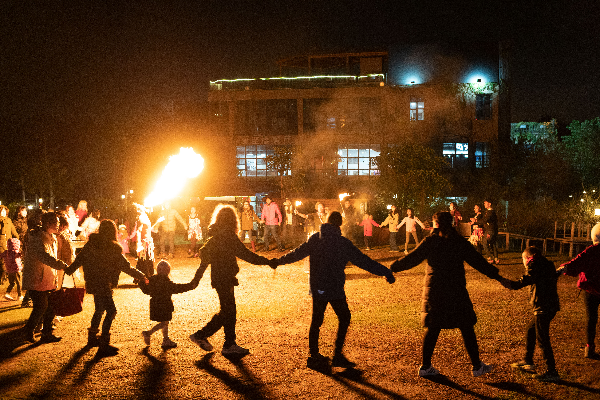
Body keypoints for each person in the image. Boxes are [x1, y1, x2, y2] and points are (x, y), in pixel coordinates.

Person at [271, 211, 395, 370]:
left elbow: (297, 253)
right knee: (344, 317)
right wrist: (385, 272)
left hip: (318, 287)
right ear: (340, 224)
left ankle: (314, 354)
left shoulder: (315, 238)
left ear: (327, 222)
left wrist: (278, 262)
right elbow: (364, 261)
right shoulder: (343, 242)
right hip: (334, 287)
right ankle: (336, 355)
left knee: (317, 320)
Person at [390, 211, 507, 378]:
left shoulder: (430, 241)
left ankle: (426, 366)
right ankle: (476, 366)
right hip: (455, 289)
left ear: (435, 224)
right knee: (466, 326)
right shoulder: (458, 242)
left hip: (436, 289)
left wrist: (392, 268)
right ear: (451, 223)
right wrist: (498, 277)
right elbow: (478, 261)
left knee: (434, 327)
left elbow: (413, 258)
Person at [189, 205, 273, 356]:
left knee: (228, 310)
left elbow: (205, 260)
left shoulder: (215, 235)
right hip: (225, 277)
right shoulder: (227, 236)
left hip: (219, 277)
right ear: (232, 220)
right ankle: (214, 340)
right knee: (229, 310)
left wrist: (196, 279)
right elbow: (247, 255)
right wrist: (267, 261)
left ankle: (226, 342)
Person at [64, 219, 148, 356]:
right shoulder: (112, 248)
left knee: (99, 310)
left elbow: (79, 259)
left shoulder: (91, 244)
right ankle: (104, 343)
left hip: (92, 282)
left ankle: (92, 338)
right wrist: (142, 276)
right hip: (104, 283)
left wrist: (68, 270)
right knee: (111, 311)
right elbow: (126, 267)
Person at [504, 246, 560, 381]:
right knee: (531, 330)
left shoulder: (535, 265)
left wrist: (511, 284)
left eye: (523, 259)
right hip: (550, 305)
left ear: (528, 258)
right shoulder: (546, 264)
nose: (523, 262)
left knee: (542, 339)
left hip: (543, 306)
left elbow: (527, 278)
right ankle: (528, 360)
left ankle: (552, 372)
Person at [21, 212, 69, 343]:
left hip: (47, 278)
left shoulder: (50, 236)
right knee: (41, 306)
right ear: (48, 223)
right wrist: (61, 265)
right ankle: (29, 331)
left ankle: (46, 333)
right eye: (56, 222)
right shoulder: (37, 237)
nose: (58, 224)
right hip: (37, 278)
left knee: (51, 305)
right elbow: (43, 256)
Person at [557, 222, 600, 359]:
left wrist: (563, 268)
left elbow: (576, 263)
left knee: (591, 319)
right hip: (593, 289)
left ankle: (589, 347)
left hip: (591, 290)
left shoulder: (591, 251)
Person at [140, 260, 203, 349]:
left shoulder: (152, 279)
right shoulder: (166, 281)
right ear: (168, 271)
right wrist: (190, 286)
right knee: (164, 322)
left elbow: (145, 290)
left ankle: (165, 339)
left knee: (165, 322)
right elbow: (177, 288)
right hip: (164, 304)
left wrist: (141, 281)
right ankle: (149, 333)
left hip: (154, 303)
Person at [130, 204, 156, 279]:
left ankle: (146, 276)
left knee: (146, 260)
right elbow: (138, 231)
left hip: (148, 241)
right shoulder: (141, 218)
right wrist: (139, 244)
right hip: (144, 243)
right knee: (144, 260)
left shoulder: (145, 217)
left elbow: (147, 229)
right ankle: (145, 277)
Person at [0, 205, 19, 284]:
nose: (3, 212)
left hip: (8, 244)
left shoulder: (9, 220)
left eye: (4, 211)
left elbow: (13, 231)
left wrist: (17, 239)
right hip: (1, 244)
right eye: (2, 211)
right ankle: (2, 277)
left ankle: (4, 277)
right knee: (2, 261)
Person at [480, 199, 499, 264]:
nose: (484, 204)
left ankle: (489, 257)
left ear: (489, 204)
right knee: (493, 243)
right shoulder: (489, 211)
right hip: (492, 230)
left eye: (485, 203)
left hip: (490, 230)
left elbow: (485, 220)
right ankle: (496, 259)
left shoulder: (490, 212)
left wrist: (475, 222)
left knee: (484, 243)